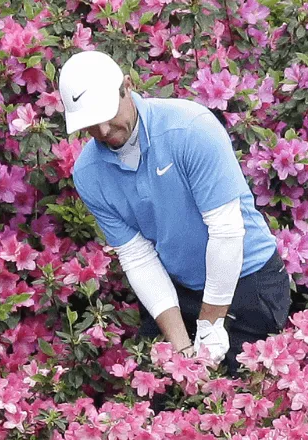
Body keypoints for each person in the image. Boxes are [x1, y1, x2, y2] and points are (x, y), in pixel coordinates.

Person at [57, 50, 291, 375]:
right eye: (90, 124)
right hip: (180, 287)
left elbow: (226, 232)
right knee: (169, 388)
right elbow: (137, 256)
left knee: (238, 393)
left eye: (107, 113)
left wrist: (210, 325)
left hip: (247, 280)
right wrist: (182, 349)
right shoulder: (88, 173)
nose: (104, 129)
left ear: (127, 87)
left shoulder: (191, 129)